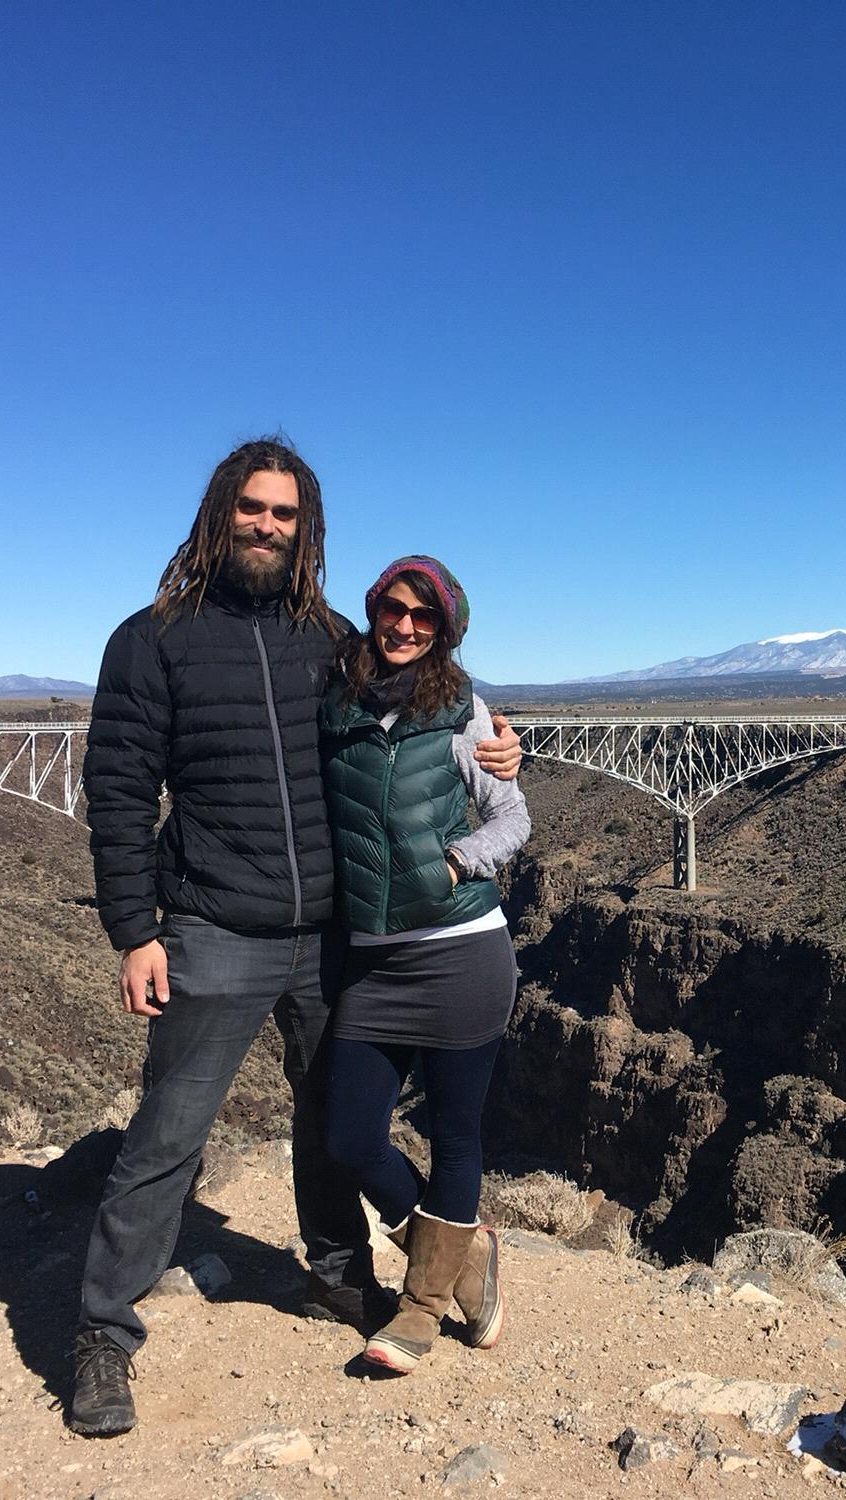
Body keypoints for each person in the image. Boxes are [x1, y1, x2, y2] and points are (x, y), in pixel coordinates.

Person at [66, 440, 522, 1436]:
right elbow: (117, 792)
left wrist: (500, 749)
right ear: (217, 513)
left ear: (305, 528)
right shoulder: (151, 641)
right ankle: (103, 1331)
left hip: (333, 933)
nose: (265, 526)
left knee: (333, 1126)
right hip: (210, 926)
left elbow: (431, 699)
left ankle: (337, 1274)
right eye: (250, 508)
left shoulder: (336, 643)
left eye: (283, 514)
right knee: (167, 1136)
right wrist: (134, 930)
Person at [319, 556, 530, 1375]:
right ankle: (468, 1259)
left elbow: (513, 819)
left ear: (444, 630)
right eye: (392, 610)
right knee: (350, 1136)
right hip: (373, 965)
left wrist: (452, 865)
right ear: (374, 612)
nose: (403, 626)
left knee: (455, 1137)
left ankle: (420, 1305)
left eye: (423, 617)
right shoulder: (334, 702)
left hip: (460, 955)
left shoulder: (464, 711)